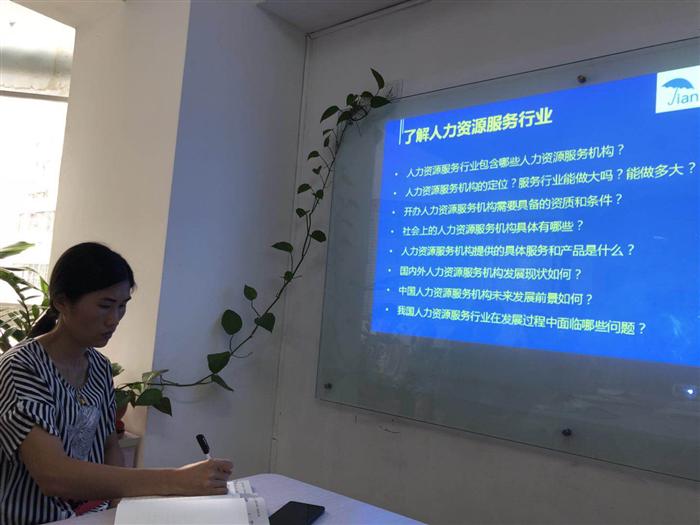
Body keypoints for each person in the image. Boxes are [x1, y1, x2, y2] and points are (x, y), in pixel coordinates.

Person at [0, 242, 233, 525]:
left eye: (122, 306)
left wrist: (116, 507)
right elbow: (53, 475)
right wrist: (176, 480)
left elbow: (110, 445)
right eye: (105, 305)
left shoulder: (99, 367)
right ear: (61, 302)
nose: (114, 320)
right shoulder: (21, 366)